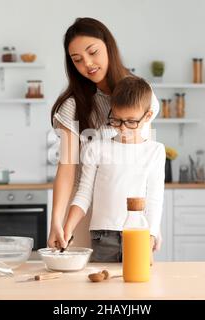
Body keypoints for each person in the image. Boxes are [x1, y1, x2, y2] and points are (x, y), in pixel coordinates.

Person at [48, 17, 160, 251]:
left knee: (133, 282)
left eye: (93, 52)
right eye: (77, 60)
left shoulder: (141, 94)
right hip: (84, 211)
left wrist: (153, 226)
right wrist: (56, 221)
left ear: (108, 46)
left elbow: (147, 168)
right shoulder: (73, 106)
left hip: (134, 215)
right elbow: (67, 166)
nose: (87, 64)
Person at [62, 76, 165, 262]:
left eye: (131, 122)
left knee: (137, 287)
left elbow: (155, 198)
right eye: (116, 120)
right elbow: (84, 194)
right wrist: (67, 227)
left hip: (139, 234)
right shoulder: (96, 149)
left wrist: (152, 235)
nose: (123, 128)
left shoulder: (155, 151)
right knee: (105, 289)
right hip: (103, 235)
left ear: (148, 116)